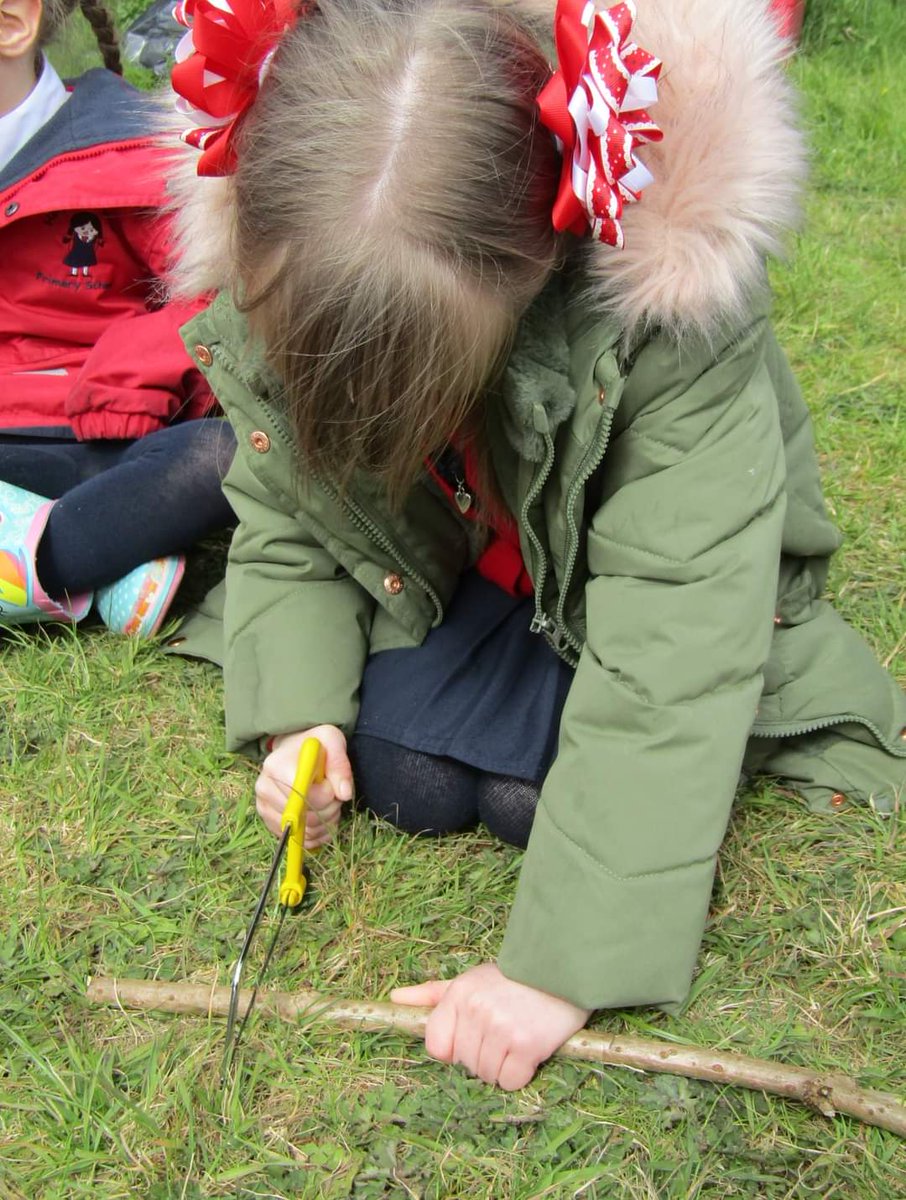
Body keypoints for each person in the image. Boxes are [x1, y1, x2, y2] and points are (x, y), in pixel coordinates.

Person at [167, 0, 906, 1089]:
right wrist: (299, 719)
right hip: (470, 558)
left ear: (532, 275)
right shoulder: (294, 247)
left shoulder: (672, 325)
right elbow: (291, 510)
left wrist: (560, 967)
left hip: (624, 589)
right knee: (406, 774)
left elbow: (679, 642)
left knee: (525, 795)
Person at [0, 0, 235, 637]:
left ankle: (43, 557)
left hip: (87, 428)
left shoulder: (127, 151)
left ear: (12, 23)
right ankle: (102, 562)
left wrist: (129, 374)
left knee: (222, 457)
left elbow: (212, 290)